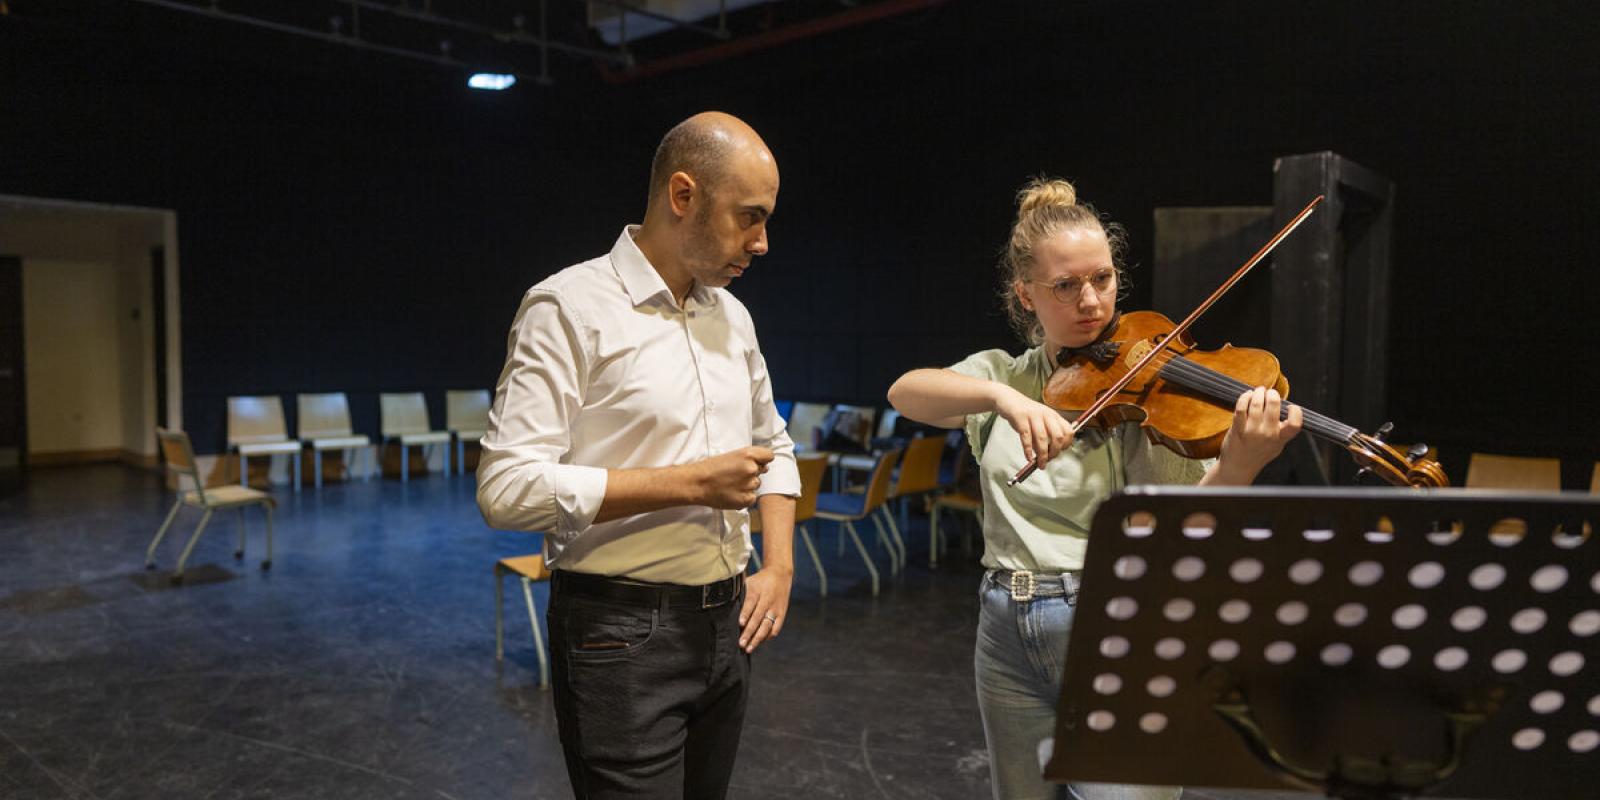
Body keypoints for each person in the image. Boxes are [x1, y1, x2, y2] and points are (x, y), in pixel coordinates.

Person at [887, 177, 1302, 800]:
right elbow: (905, 392)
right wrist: (1003, 398)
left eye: (1102, 279)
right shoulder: (999, 377)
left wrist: (1241, 463)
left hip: (1116, 622)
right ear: (1025, 295)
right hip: (1003, 628)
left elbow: (1185, 523)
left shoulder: (1148, 383)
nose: (1091, 302)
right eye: (1066, 286)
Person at [476, 111, 799, 799]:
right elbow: (505, 489)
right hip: (617, 636)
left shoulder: (732, 316)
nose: (763, 242)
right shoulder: (568, 307)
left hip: (727, 625)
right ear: (683, 196)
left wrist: (779, 566)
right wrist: (687, 483)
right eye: (749, 217)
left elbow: (775, 444)